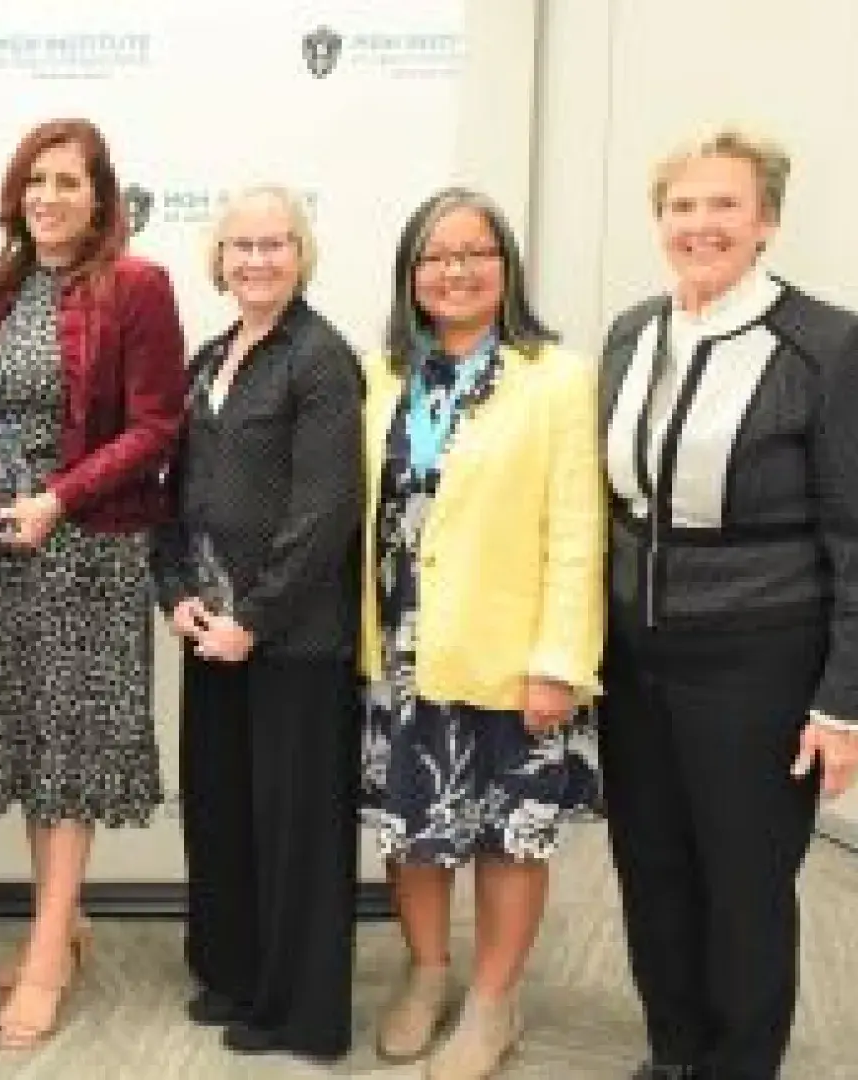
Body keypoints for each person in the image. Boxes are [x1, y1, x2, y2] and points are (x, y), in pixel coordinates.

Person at [598, 127, 858, 1080]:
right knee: (653, 870)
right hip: (635, 661)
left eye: (724, 206)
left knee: (745, 886)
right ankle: (674, 1053)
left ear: (767, 223)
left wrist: (842, 703)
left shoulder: (827, 344)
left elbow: (856, 538)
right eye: (682, 206)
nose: (700, 224)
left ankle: (740, 1065)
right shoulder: (633, 331)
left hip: (761, 662)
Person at [0, 117, 189, 1049]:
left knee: (70, 746)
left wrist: (57, 497)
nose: (49, 197)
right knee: (25, 735)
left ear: (100, 197)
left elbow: (156, 428)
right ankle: (68, 918)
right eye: (35, 180)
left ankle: (47, 950)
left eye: (68, 182)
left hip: (85, 548)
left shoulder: (136, 287)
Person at [359, 188, 603, 1079]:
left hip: (512, 655)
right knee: (411, 830)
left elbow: (579, 531)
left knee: (510, 835)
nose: (455, 270)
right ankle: (426, 977)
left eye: (475, 253)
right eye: (434, 255)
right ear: (410, 275)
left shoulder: (558, 378)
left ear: (507, 268)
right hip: (401, 648)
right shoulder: (383, 374)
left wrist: (560, 664)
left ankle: (493, 1004)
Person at [150, 184, 362, 1061]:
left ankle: (298, 1012)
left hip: (294, 641)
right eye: (241, 245)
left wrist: (259, 618)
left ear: (301, 253)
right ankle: (233, 974)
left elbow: (326, 508)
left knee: (295, 831)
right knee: (224, 814)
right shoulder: (210, 356)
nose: (257, 259)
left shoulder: (319, 358)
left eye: (275, 243)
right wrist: (176, 592)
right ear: (219, 258)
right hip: (212, 632)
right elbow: (178, 492)